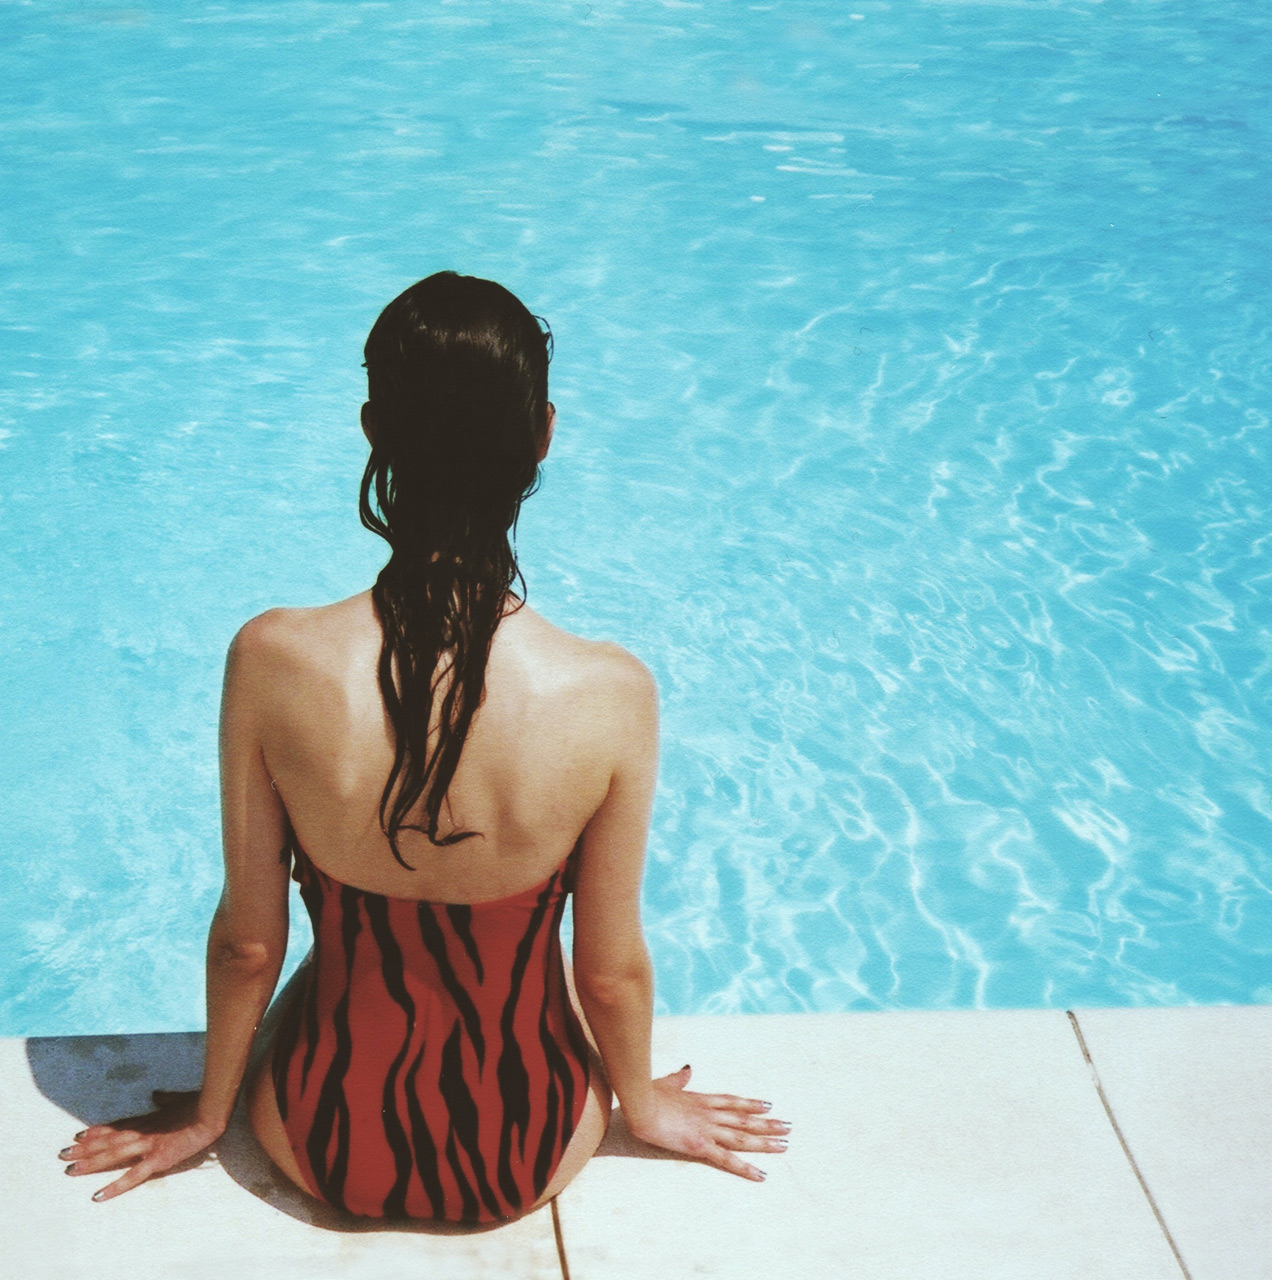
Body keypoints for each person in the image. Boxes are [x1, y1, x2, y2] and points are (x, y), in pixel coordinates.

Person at [59, 271, 787, 1221]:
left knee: (342, 965)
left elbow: (247, 944)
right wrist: (641, 1104)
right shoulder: (609, 692)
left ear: (374, 429)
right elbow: (608, 972)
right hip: (529, 1149)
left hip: (317, 1139)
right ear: (543, 435)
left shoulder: (274, 658)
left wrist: (207, 1117)